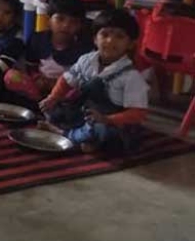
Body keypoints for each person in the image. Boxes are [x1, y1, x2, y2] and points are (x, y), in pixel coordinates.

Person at [39, 9, 149, 154]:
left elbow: (138, 114)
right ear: (95, 39)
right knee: (54, 110)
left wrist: (107, 119)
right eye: (105, 34)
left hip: (113, 122)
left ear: (130, 44)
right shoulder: (86, 60)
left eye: (119, 36)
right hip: (86, 112)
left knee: (105, 133)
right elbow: (66, 80)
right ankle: (80, 137)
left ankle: (65, 134)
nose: (110, 40)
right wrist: (53, 98)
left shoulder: (131, 76)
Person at [5, 0, 90, 102]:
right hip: (38, 85)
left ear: (80, 26)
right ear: (49, 20)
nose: (66, 25)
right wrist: (38, 78)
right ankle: (39, 101)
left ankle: (51, 103)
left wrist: (56, 84)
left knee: (79, 92)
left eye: (73, 22)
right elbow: (31, 65)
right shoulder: (38, 39)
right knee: (11, 76)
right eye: (60, 19)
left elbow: (80, 79)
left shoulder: (84, 48)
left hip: (64, 88)